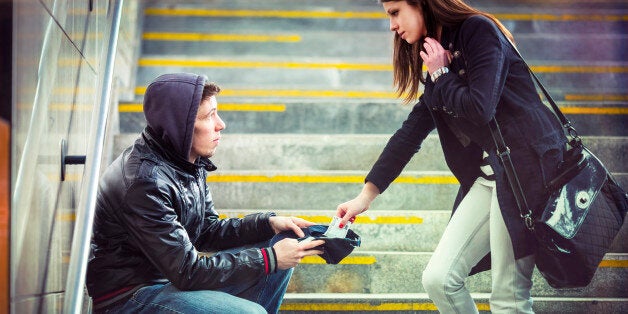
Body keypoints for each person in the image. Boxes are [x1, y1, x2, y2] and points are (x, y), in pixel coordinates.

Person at [336, 1, 567, 313]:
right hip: (492, 177)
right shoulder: (438, 53)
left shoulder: (477, 31)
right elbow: (411, 132)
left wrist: (442, 73)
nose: (391, 25)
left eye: (394, 12)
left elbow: (480, 108)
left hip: (526, 171)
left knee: (508, 298)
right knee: (439, 279)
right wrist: (366, 195)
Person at [87, 73, 324, 314]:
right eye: (209, 116)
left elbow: (205, 231)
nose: (221, 124)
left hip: (167, 282)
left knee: (281, 239)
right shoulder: (144, 182)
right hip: (128, 297)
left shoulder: (184, 160)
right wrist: (269, 259)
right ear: (181, 125)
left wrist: (268, 223)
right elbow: (188, 272)